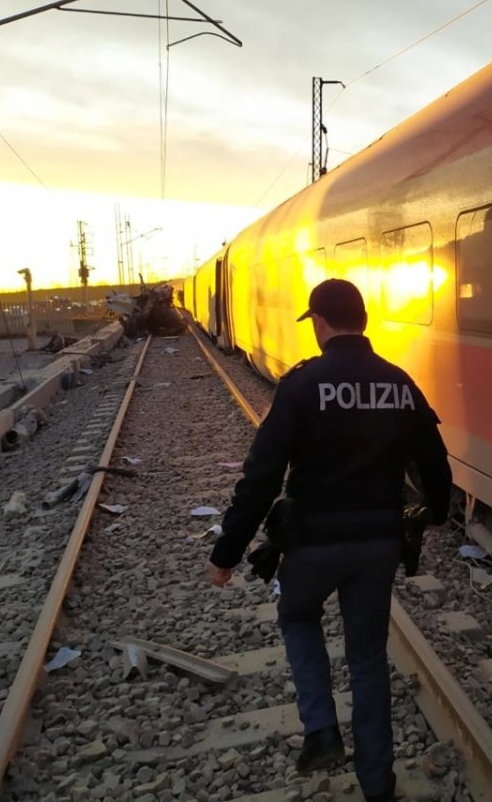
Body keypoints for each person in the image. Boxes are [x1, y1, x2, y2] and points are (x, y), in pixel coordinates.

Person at [206, 278, 452, 802]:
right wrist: (437, 513)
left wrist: (227, 552)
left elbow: (261, 478)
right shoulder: (399, 383)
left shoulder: (301, 384)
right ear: (362, 320)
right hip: (377, 546)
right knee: (367, 659)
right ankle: (378, 786)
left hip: (313, 544)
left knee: (297, 616)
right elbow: (434, 461)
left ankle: (320, 728)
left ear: (320, 322)